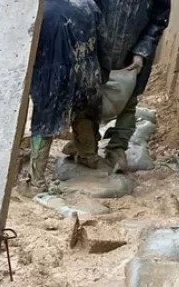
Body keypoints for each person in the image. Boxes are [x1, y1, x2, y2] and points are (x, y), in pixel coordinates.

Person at [26, 0, 103, 188]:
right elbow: (104, 43)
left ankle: (35, 182)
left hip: (52, 75)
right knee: (84, 112)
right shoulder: (88, 5)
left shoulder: (38, 10)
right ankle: (89, 156)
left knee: (44, 123)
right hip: (86, 71)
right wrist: (102, 72)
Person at [94, 0, 171, 171]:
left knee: (129, 102)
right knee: (90, 98)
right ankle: (87, 144)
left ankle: (117, 148)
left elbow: (159, 19)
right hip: (99, 45)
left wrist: (141, 51)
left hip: (134, 56)